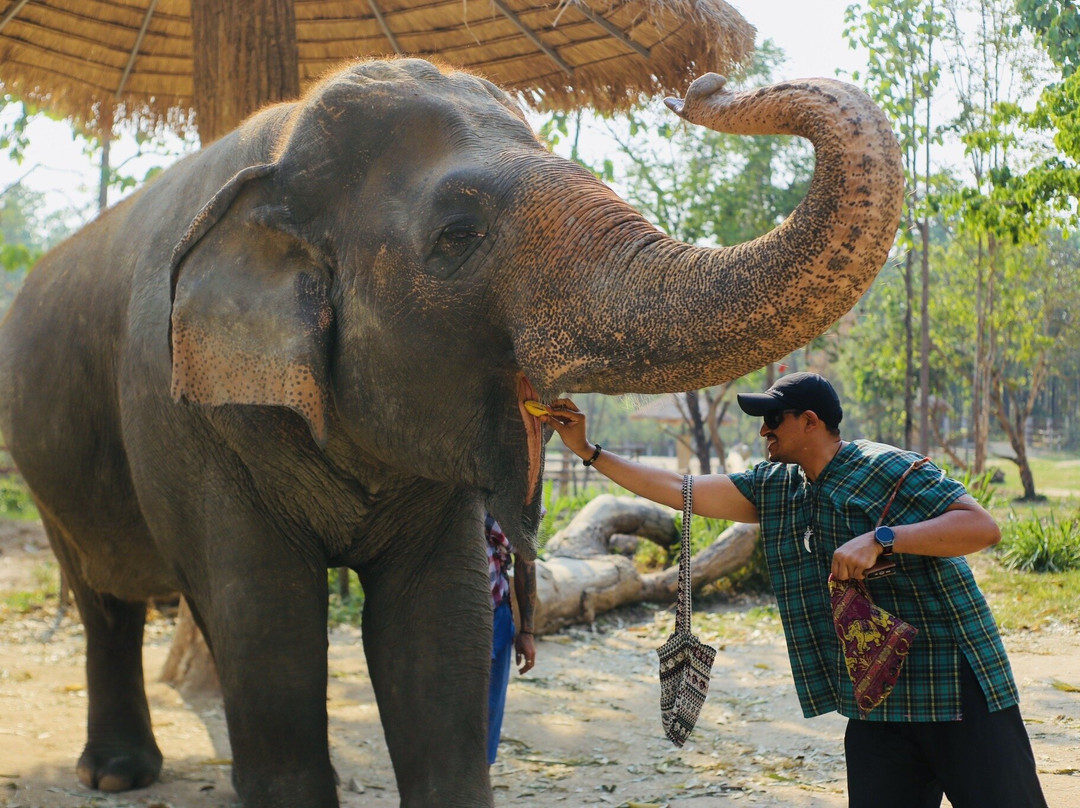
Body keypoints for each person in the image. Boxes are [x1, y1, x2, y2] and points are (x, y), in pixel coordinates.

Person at [540, 372, 1047, 808]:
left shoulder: (887, 467)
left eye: (774, 419)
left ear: (811, 422)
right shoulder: (781, 485)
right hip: (874, 698)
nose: (763, 430)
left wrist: (882, 539)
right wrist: (588, 450)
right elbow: (681, 489)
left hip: (954, 686)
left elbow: (981, 527)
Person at [485, 512, 537, 766]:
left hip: (496, 615)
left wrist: (527, 631)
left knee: (487, 712)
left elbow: (525, 557)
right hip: (448, 615)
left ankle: (477, 779)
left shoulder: (508, 494)